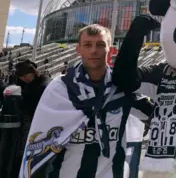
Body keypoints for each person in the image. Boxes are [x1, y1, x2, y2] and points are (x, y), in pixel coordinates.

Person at [19, 24, 152, 178]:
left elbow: (157, 116)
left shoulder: (122, 88)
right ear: (78, 49)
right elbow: (40, 144)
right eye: (87, 45)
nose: (93, 51)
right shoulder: (60, 88)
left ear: (111, 49)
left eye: (100, 44)